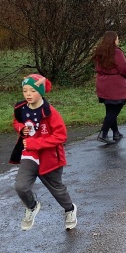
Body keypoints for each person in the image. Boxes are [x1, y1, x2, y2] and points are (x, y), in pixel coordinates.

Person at [9, 74, 77, 231]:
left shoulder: (50, 112)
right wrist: (21, 128)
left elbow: (61, 136)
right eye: (25, 90)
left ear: (40, 92)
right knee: (20, 186)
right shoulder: (20, 108)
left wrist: (35, 143)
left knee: (57, 189)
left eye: (32, 91)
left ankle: (70, 209)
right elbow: (16, 121)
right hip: (29, 155)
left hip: (50, 157)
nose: (28, 94)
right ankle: (32, 206)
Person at [93, 31, 126, 144]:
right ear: (114, 40)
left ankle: (116, 132)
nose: (118, 40)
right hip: (115, 84)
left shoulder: (100, 52)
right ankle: (103, 133)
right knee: (115, 108)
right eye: (117, 38)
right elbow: (123, 68)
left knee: (110, 108)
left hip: (102, 82)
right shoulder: (116, 52)